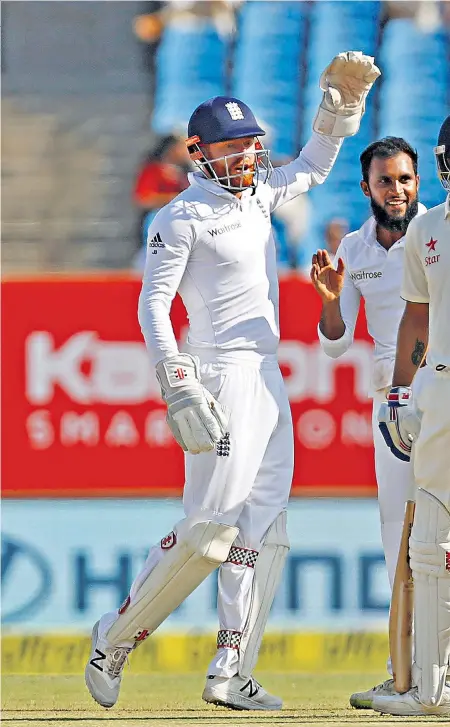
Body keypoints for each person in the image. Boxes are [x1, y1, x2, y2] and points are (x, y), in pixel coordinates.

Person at [84, 51, 380, 712]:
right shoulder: (181, 217)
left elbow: (312, 167)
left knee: (265, 528)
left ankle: (232, 669)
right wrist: (177, 380)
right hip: (216, 372)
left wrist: (336, 111)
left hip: (266, 375)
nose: (247, 158)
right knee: (210, 528)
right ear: (199, 152)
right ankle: (114, 638)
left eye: (251, 145)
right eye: (232, 147)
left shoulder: (261, 192)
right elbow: (152, 307)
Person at [310, 136, 427, 709]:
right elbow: (335, 346)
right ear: (366, 188)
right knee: (398, 543)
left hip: (443, 393)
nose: (397, 190)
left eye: (405, 179)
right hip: (393, 408)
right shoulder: (354, 250)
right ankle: (405, 673)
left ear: (418, 182)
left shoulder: (440, 233)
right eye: (386, 181)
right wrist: (331, 300)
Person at [372, 118, 450, 717]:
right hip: (441, 394)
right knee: (428, 546)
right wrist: (401, 392)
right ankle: (429, 691)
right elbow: (417, 318)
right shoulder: (426, 228)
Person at [133, 134, 190, 254]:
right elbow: (143, 198)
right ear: (171, 149)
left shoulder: (186, 171)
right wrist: (172, 198)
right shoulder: (154, 170)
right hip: (157, 221)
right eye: (181, 147)